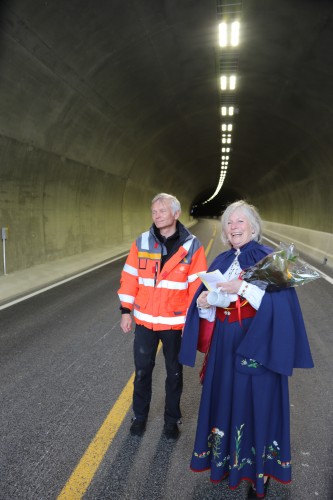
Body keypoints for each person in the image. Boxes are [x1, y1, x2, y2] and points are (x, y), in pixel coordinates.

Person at [179, 200, 314, 498]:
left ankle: (258, 474)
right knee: (226, 399)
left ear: (253, 227)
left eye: (240, 221)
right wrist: (205, 303)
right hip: (225, 345)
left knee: (257, 406)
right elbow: (215, 308)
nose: (234, 226)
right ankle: (228, 463)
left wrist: (240, 287)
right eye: (229, 222)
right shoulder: (222, 261)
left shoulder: (271, 260)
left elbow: (278, 308)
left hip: (258, 344)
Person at [118, 193, 207, 440]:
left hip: (175, 324)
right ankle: (139, 417)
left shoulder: (192, 246)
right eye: (154, 211)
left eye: (162, 211)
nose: (156, 215)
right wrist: (126, 310)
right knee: (142, 371)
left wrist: (192, 323)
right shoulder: (142, 242)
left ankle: (171, 420)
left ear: (176, 214)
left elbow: (196, 287)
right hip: (145, 321)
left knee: (174, 374)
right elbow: (129, 278)